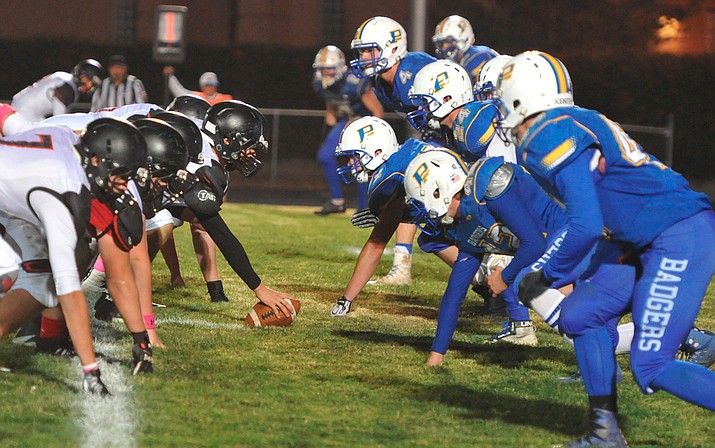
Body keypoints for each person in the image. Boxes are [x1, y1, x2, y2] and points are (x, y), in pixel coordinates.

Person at [496, 50, 715, 446]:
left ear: (518, 98)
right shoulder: (573, 119)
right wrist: (555, 272)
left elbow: (585, 224)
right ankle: (604, 433)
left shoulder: (547, 133)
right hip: (641, 239)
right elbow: (597, 223)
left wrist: (547, 274)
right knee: (580, 315)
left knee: (651, 364)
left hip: (674, 234)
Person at [0, 123, 110, 395]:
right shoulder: (66, 194)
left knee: (36, 277)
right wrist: (90, 370)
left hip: (12, 206)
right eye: (119, 174)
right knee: (29, 277)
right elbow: (69, 290)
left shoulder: (66, 137)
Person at [349, 16, 438, 285]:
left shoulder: (413, 70)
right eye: (361, 51)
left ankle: (494, 273)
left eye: (369, 50)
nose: (363, 56)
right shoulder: (381, 83)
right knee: (407, 190)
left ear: (392, 46)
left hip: (463, 139)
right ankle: (402, 266)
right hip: (438, 137)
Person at [311, 45, 384, 215]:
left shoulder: (354, 82)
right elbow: (331, 105)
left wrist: (375, 137)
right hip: (345, 122)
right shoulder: (320, 84)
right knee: (325, 155)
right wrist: (328, 131)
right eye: (323, 69)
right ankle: (337, 201)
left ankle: (364, 207)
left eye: (329, 68)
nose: (326, 72)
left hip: (364, 123)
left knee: (361, 163)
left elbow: (377, 110)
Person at [10, 59, 104, 121]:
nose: (91, 87)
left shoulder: (64, 77)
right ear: (83, 76)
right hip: (25, 112)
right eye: (91, 82)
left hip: (23, 106)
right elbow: (59, 118)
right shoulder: (68, 88)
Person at [432, 15, 499, 84]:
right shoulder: (461, 61)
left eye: (448, 42)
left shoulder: (478, 57)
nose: (444, 48)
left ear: (464, 40)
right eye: (442, 44)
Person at [162, 66, 233, 106]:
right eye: (207, 85)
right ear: (202, 87)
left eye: (213, 84)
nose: (210, 88)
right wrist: (170, 77)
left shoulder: (226, 99)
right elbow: (179, 92)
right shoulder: (197, 97)